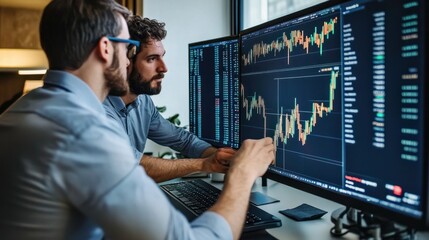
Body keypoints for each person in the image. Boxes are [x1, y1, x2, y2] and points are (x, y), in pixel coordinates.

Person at [0, 0, 275, 239]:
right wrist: (242, 174)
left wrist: (215, 156)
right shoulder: (82, 131)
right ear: (106, 48)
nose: (129, 57)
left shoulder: (22, 110)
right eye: (128, 46)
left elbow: (179, 137)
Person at [103, 16, 232, 183]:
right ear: (125, 58)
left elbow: (183, 140)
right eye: (151, 59)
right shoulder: (99, 108)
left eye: (162, 57)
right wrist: (205, 164)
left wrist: (222, 157)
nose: (164, 68)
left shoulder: (143, 103)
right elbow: (132, 167)